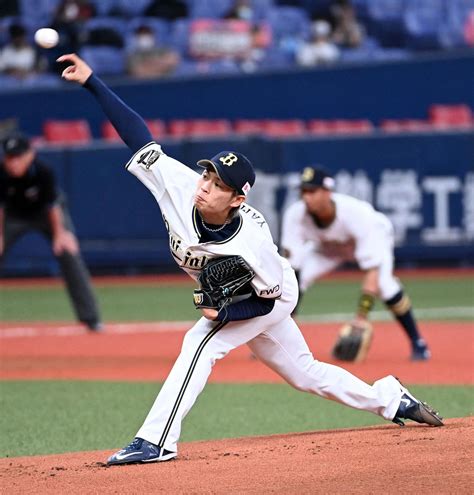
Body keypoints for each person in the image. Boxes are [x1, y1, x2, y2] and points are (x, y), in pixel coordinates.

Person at [56, 52, 443, 466]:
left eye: (218, 183)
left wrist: (220, 312)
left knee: (199, 344)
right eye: (207, 174)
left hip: (269, 294)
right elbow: (138, 135)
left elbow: (265, 300)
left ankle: (156, 440)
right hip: (245, 294)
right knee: (304, 373)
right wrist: (93, 81)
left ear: (238, 198)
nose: (205, 185)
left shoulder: (251, 242)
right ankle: (390, 399)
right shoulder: (181, 185)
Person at [280, 166, 431, 361]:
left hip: (373, 238)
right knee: (291, 281)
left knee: (385, 286)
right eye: (303, 191)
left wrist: (361, 317)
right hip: (327, 249)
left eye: (312, 191)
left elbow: (372, 271)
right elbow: (293, 268)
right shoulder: (295, 214)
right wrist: (289, 318)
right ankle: (279, 339)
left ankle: (418, 342)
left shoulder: (358, 214)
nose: (306, 197)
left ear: (327, 192)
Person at [0, 134, 102, 332]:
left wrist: (59, 235)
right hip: (12, 216)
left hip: (45, 215)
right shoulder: (1, 174)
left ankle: (91, 319)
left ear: (30, 155)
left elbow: (53, 206)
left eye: (18, 157)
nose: (13, 163)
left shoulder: (43, 171)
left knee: (68, 252)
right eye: (9, 157)